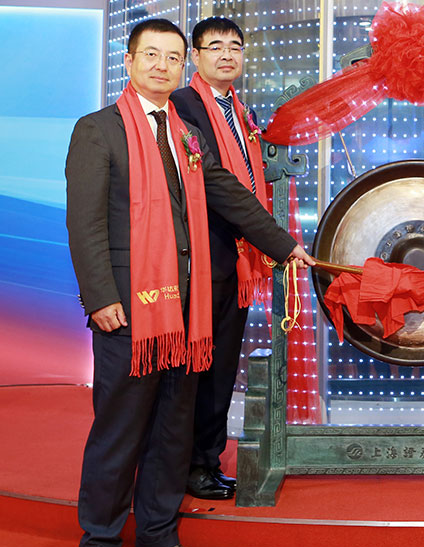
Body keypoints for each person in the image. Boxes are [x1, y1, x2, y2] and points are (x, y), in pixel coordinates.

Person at [66, 18, 314, 547]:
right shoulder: (98, 130)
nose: (162, 66)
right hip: (130, 310)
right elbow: (85, 224)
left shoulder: (187, 134)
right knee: (121, 431)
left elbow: (226, 192)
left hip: (187, 308)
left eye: (172, 57)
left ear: (183, 67)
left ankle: (157, 535)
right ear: (128, 62)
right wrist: (100, 297)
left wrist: (282, 245)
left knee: (173, 430)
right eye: (151, 55)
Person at [170, 17, 262, 501]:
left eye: (235, 47)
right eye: (215, 47)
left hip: (237, 257)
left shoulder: (241, 111)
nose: (227, 55)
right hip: (203, 257)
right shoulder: (184, 105)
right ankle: (186, 465)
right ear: (196, 55)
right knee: (195, 369)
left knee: (223, 367)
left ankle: (205, 461)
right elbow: (212, 183)